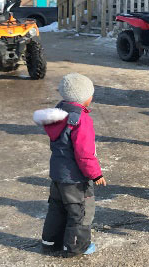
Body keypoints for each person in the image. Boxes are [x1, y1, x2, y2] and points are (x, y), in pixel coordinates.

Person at [33, 73, 107, 257]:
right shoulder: (81, 120)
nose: (92, 97)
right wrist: (96, 174)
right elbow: (84, 154)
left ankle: (50, 242)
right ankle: (75, 247)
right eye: (90, 94)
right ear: (83, 98)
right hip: (75, 178)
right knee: (79, 212)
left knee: (56, 208)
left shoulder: (58, 113)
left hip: (58, 174)